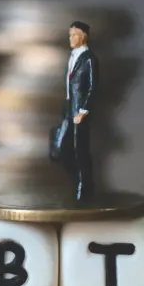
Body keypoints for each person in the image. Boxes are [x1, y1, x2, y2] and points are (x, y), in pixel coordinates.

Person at [57, 20, 99, 200]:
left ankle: (84, 188)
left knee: (80, 150)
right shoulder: (72, 56)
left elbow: (93, 87)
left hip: (80, 113)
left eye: (74, 35)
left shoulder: (89, 59)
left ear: (83, 37)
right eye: (70, 35)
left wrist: (83, 111)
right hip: (69, 109)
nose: (71, 38)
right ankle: (77, 180)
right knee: (60, 149)